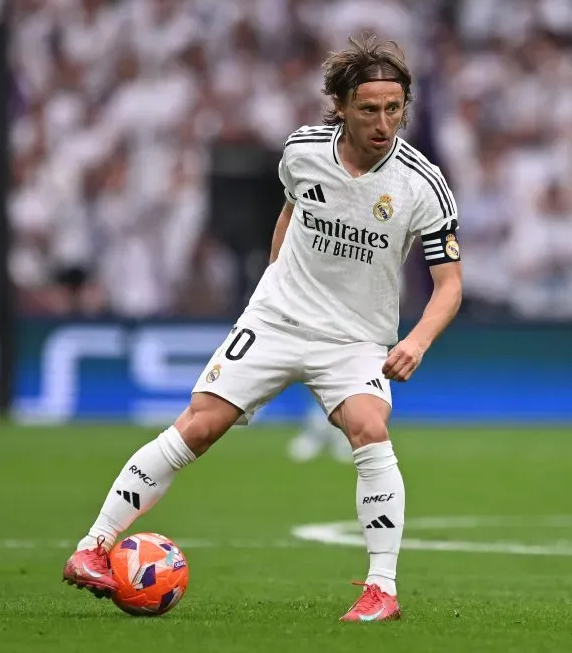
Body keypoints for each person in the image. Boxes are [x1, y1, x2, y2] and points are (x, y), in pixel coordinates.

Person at [62, 33, 463, 623]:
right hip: (276, 319)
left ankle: (382, 589)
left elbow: (449, 284)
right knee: (198, 426)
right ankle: (92, 548)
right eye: (369, 109)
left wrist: (416, 341)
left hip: (353, 338)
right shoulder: (302, 151)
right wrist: (271, 290)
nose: (384, 122)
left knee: (369, 426)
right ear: (343, 107)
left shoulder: (421, 185)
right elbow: (291, 212)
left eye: (394, 109)